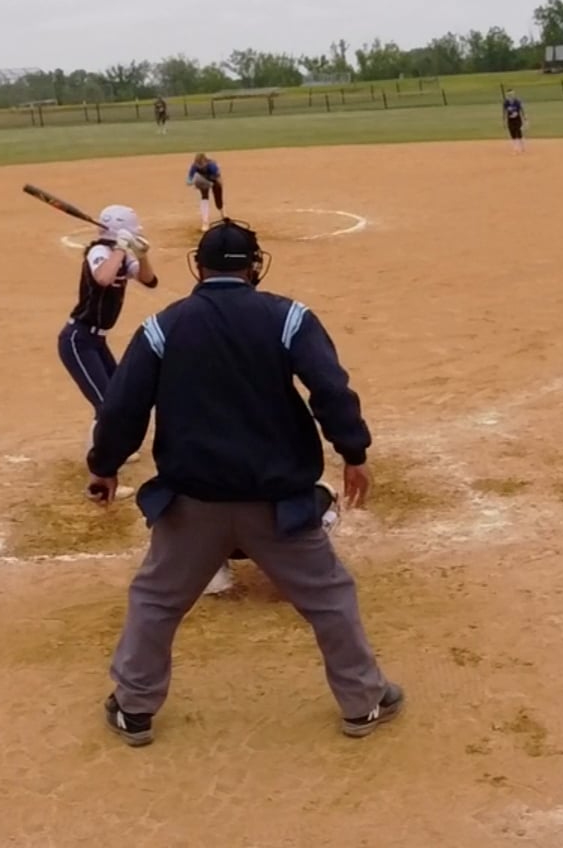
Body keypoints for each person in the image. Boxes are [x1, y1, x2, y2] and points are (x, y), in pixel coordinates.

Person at [87, 219, 403, 747]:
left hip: (194, 502)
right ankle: (363, 700)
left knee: (156, 601)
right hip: (278, 504)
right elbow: (330, 389)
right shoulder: (288, 317)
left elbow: (122, 407)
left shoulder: (164, 327)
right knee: (329, 598)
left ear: (199, 267)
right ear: (255, 267)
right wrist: (353, 452)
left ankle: (134, 708)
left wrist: (104, 464)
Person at [58, 205, 158, 422]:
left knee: (119, 399)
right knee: (107, 406)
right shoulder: (99, 251)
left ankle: (108, 439)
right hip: (78, 339)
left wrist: (142, 256)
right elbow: (103, 278)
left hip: (97, 341)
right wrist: (121, 249)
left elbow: (149, 280)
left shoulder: (120, 256)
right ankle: (99, 443)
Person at [186, 153, 224, 230]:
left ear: (205, 162)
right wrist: (193, 182)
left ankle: (223, 214)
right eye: (198, 164)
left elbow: (218, 178)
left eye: (201, 164)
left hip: (214, 180)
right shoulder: (194, 166)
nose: (200, 166)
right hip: (203, 181)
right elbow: (189, 179)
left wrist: (219, 186)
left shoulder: (212, 165)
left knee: (218, 199)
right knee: (204, 197)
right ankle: (205, 222)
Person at [502, 90, 526, 154]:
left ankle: (522, 146)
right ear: (507, 95)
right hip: (510, 120)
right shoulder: (506, 103)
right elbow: (504, 112)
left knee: (518, 131)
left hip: (517, 119)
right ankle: (515, 148)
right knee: (512, 133)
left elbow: (521, 110)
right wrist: (504, 120)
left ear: (514, 95)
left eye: (511, 94)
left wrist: (524, 117)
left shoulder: (517, 102)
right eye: (509, 95)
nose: (510, 96)